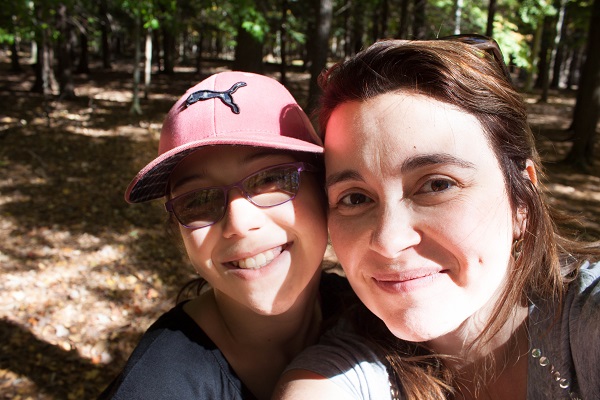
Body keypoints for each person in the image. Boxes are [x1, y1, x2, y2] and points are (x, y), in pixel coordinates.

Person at [274, 36, 600, 400]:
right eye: (354, 198)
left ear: (522, 200)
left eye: (437, 184)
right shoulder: (342, 370)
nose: (389, 240)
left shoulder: (587, 324)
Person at [98, 71, 349, 400]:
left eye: (273, 180)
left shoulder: (372, 312)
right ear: (178, 231)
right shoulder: (157, 386)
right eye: (198, 201)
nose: (239, 223)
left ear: (324, 190)